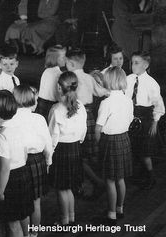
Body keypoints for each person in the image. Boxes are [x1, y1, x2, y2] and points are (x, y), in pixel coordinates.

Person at [0, 90, 34, 237]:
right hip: (22, 173)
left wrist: (0, 191)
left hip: (8, 180)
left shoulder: (2, 134)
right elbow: (25, 152)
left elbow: (5, 166)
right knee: (22, 214)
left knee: (12, 224)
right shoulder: (18, 128)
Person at [13, 85, 53, 237]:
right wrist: (48, 162)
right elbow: (48, 144)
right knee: (36, 202)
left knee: (22, 202)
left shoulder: (10, 119)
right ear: (31, 100)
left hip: (18, 162)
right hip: (37, 160)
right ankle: (34, 236)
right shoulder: (39, 119)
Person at [66, 48, 108, 195]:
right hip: (89, 116)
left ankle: (96, 182)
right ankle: (95, 182)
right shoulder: (89, 78)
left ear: (70, 63)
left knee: (79, 155)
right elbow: (102, 92)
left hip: (76, 116)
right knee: (90, 154)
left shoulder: (68, 78)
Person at [95, 66, 133, 225]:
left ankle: (110, 214)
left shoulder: (106, 102)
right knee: (120, 178)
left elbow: (98, 128)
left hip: (109, 141)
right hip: (124, 138)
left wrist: (99, 144)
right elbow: (130, 119)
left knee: (110, 180)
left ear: (107, 82)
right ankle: (120, 208)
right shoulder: (128, 100)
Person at [48, 71, 87, 225]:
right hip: (76, 148)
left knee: (62, 188)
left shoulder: (56, 109)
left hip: (61, 151)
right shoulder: (80, 106)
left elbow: (52, 137)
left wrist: (48, 157)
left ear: (59, 87)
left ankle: (64, 221)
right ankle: (71, 217)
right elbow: (83, 130)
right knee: (69, 187)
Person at [125, 51, 165, 189]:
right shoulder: (128, 79)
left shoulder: (151, 83)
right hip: (131, 117)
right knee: (133, 148)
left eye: (137, 63)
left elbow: (158, 104)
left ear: (146, 65)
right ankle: (139, 175)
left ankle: (150, 177)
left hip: (145, 118)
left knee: (144, 151)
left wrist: (155, 121)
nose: (133, 65)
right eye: (132, 62)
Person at [36, 45, 66, 121]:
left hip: (41, 103)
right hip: (51, 105)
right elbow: (58, 94)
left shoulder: (46, 71)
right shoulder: (59, 74)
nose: (65, 59)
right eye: (63, 57)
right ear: (55, 59)